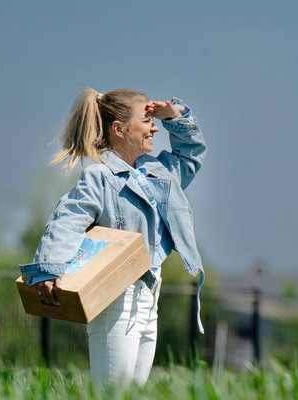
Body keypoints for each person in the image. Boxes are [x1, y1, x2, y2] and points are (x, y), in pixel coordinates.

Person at [19, 88, 206, 384]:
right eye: (146, 121)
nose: (154, 126)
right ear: (119, 129)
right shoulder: (100, 176)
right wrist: (48, 269)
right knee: (112, 391)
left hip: (149, 296)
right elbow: (67, 219)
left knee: (134, 390)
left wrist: (176, 116)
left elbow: (191, 155)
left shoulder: (159, 174)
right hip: (117, 295)